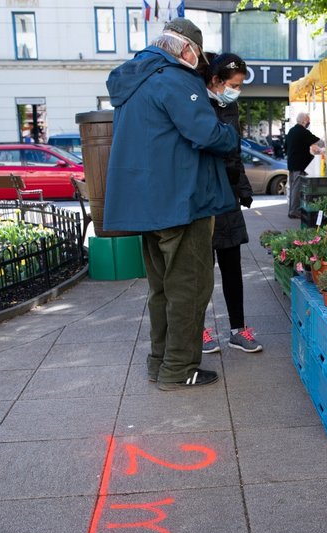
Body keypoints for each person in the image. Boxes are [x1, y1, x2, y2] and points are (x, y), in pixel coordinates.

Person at [102, 18, 240, 390]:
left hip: (150, 205)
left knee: (161, 288)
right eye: (198, 56)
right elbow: (208, 133)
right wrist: (229, 132)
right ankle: (179, 369)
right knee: (190, 289)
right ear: (186, 49)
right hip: (182, 201)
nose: (199, 63)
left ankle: (159, 362)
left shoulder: (136, 80)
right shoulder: (174, 79)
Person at [201, 52, 262, 355]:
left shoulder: (230, 105)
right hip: (202, 197)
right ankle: (197, 329)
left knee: (232, 266)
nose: (236, 90)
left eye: (239, 85)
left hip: (227, 197)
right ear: (215, 80)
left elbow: (234, 153)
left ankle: (238, 330)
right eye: (233, 84)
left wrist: (243, 187)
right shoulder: (196, 104)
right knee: (200, 269)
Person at [284, 112, 324, 221]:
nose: (308, 123)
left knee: (293, 187)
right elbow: (319, 142)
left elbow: (285, 147)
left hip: (291, 163)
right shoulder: (303, 132)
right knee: (297, 188)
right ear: (304, 121)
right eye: (308, 121)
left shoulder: (291, 131)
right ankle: (294, 211)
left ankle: (292, 210)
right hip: (300, 164)